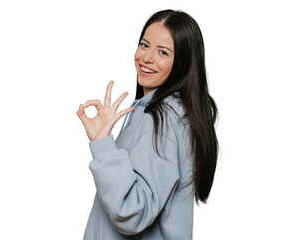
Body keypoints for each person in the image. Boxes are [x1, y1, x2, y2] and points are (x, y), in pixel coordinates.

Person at [77, 9, 218, 240]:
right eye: (144, 45)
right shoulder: (165, 112)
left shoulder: (161, 119)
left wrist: (103, 145)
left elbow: (133, 212)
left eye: (163, 52)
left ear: (182, 63)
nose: (147, 58)